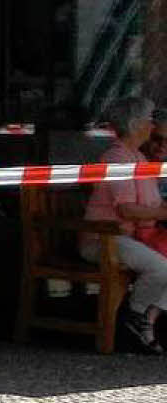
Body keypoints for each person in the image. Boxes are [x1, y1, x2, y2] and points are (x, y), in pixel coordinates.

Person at [83, 96, 167, 354]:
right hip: (104, 239)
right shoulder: (118, 158)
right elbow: (126, 209)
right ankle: (135, 317)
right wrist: (162, 212)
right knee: (161, 268)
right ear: (136, 124)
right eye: (149, 121)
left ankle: (146, 317)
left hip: (130, 237)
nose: (153, 127)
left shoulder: (137, 157)